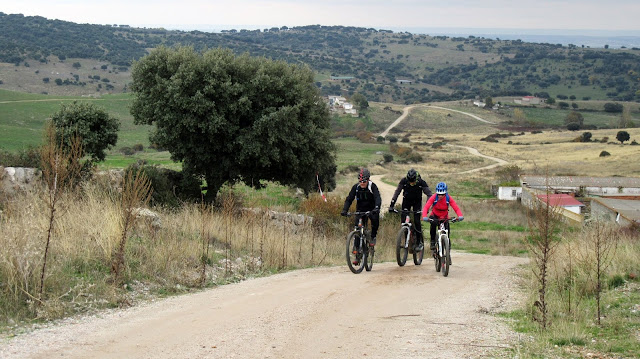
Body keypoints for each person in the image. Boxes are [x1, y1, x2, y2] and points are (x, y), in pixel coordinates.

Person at [389, 168, 432, 251]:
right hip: (407, 201)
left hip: (417, 202)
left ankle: (419, 242)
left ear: (416, 179)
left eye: (413, 182)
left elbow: (429, 194)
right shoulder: (404, 181)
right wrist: (392, 205)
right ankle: (407, 239)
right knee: (403, 221)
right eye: (410, 181)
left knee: (416, 221)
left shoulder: (421, 182)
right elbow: (397, 192)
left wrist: (426, 207)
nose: (411, 183)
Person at [341, 168, 382, 250]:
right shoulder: (356, 187)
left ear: (368, 180)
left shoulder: (372, 186)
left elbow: (377, 198)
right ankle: (356, 250)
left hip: (372, 209)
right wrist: (345, 210)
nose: (362, 183)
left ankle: (373, 236)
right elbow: (349, 199)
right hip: (360, 209)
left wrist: (377, 208)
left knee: (375, 221)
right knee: (357, 227)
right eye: (360, 181)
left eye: (364, 181)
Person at [422, 182, 464, 252]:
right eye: (438, 194)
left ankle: (448, 252)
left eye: (442, 194)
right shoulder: (434, 197)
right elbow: (426, 207)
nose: (440, 196)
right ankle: (432, 241)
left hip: (444, 217)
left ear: (445, 193)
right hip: (435, 215)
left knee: (447, 233)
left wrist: (460, 216)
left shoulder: (448, 198)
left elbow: (456, 208)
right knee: (433, 225)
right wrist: (424, 216)